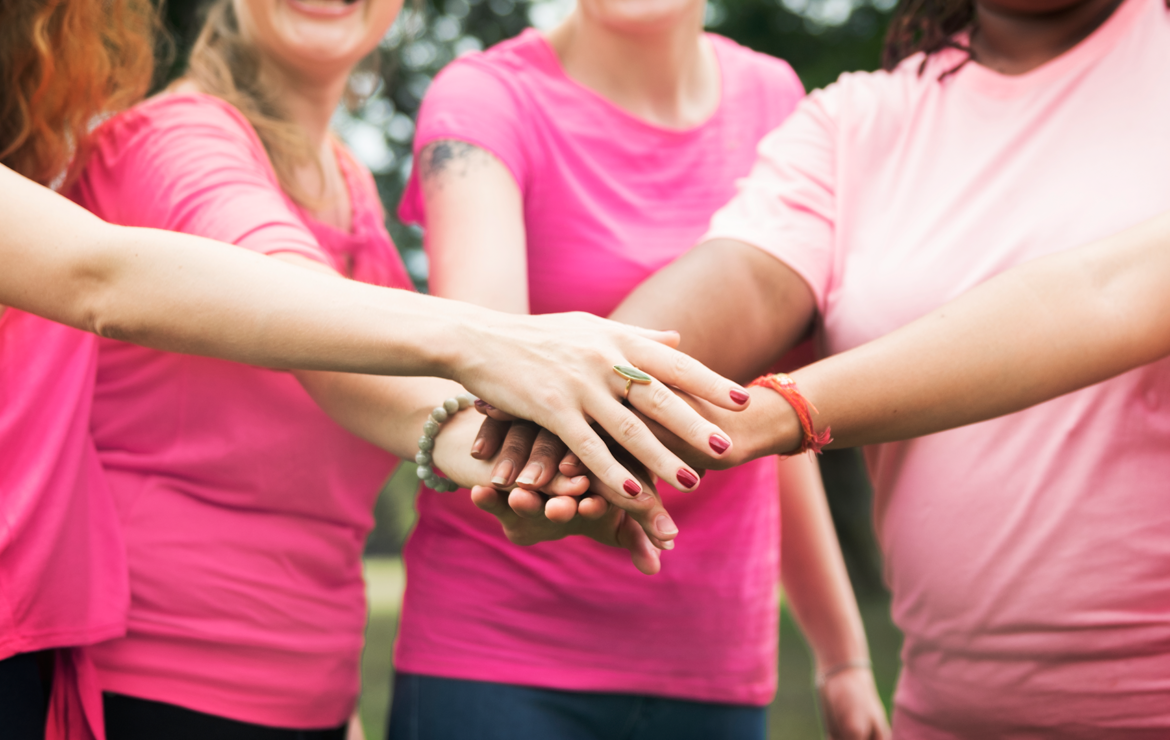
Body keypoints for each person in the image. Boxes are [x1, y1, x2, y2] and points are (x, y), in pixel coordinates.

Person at [0, 0, 748, 737]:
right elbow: (307, 327)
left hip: (310, 688)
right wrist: (499, 364)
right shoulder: (174, 138)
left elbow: (382, 392)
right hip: (161, 684)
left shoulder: (350, 181)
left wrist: (526, 466)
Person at [490, 0, 1170, 735]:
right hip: (949, 711)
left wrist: (785, 410)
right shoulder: (858, 120)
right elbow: (746, 278)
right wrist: (575, 418)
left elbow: (1113, 294)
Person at [394, 0, 889, 734]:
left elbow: (761, 413)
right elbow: (487, 363)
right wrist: (539, 487)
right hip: (497, 653)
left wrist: (842, 656)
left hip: (712, 658)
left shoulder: (776, 99)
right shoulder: (485, 99)